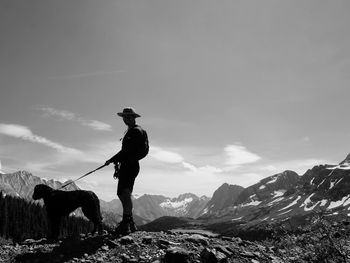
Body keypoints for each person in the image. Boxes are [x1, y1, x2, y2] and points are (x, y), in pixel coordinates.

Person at [105, 107, 148, 236]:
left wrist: (116, 159)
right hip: (128, 165)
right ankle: (129, 222)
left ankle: (126, 223)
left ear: (134, 118)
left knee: (125, 193)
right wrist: (113, 160)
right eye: (124, 117)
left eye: (128, 117)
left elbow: (136, 151)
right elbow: (127, 152)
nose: (126, 119)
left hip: (130, 166)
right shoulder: (131, 131)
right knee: (122, 193)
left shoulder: (136, 131)